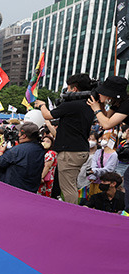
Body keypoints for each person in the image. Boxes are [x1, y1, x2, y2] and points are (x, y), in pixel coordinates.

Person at [34, 73, 94, 204]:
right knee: (71, 184)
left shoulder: (72, 105)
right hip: (80, 150)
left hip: (70, 152)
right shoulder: (89, 104)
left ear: (74, 89)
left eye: (68, 88)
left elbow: (48, 115)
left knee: (68, 188)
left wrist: (42, 105)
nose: (66, 91)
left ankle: (72, 215)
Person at [87, 76, 129, 210]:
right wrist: (99, 106)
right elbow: (105, 119)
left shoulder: (127, 104)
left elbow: (107, 123)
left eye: (102, 91)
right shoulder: (118, 104)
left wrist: (96, 109)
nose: (99, 93)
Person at [0, 122, 45, 193]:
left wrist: (1, 151)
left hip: (14, 191)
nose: (17, 134)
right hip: (31, 190)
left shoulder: (17, 150)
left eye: (19, 133)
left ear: (24, 136)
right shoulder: (40, 148)